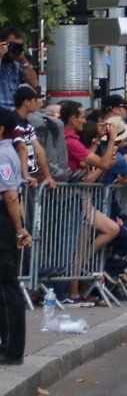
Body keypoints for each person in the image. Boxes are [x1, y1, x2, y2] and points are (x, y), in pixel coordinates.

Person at [0, 107, 31, 365]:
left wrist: (19, 230)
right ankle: (6, 343)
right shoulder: (7, 151)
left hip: (2, 225)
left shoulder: (2, 154)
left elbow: (10, 195)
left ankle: (12, 349)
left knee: (6, 285)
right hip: (6, 224)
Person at [0, 27, 38, 112]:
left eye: (19, 46)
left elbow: (34, 83)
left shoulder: (17, 64)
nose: (15, 48)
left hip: (17, 111)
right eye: (13, 45)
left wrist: (23, 61)